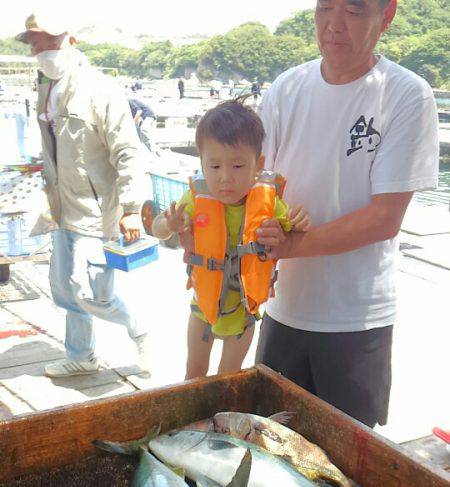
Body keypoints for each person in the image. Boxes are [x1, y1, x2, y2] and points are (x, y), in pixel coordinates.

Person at [255, 0, 439, 428]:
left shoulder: (407, 94)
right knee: (270, 441)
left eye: (354, 11)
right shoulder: (286, 87)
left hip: (356, 320)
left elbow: (383, 217)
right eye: (324, 8)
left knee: (349, 465)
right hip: (283, 309)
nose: (334, 25)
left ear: (386, 15)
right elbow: (255, 185)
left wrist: (288, 246)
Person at [16, 11, 151, 377]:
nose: (42, 49)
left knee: (91, 292)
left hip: (96, 211)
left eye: (49, 40)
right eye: (35, 42)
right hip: (61, 206)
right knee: (62, 288)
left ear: (70, 40)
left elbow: (127, 150)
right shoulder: (45, 85)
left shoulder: (100, 89)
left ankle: (140, 328)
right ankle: (82, 354)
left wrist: (132, 208)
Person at [151, 100, 310, 379]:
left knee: (229, 377)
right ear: (202, 165)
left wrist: (299, 223)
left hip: (244, 315)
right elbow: (157, 228)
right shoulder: (196, 198)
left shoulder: (268, 203)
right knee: (194, 373)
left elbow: (294, 230)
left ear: (258, 166)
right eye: (214, 167)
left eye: (238, 166)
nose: (225, 178)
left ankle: (221, 421)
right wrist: (170, 223)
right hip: (203, 309)